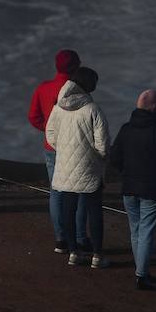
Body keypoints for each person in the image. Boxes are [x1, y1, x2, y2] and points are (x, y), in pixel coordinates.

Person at [109, 89, 156, 290]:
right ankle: (141, 274)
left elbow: (114, 159)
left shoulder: (125, 129)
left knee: (136, 229)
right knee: (146, 231)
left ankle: (141, 270)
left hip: (129, 187)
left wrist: (127, 171)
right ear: (155, 107)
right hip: (151, 189)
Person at [46, 66, 110, 269]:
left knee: (68, 210)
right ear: (88, 85)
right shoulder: (93, 110)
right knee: (94, 212)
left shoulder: (58, 107)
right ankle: (97, 256)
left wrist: (64, 151)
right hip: (90, 169)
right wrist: (98, 159)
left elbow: (50, 135)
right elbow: (103, 145)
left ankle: (73, 252)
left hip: (65, 167)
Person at [28, 49, 87, 254]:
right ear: (75, 67)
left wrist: (47, 129)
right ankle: (79, 238)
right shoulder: (78, 89)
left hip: (51, 147)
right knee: (78, 193)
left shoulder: (44, 88)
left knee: (57, 193)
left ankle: (60, 238)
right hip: (75, 148)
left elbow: (33, 116)